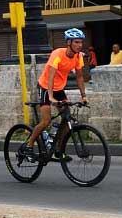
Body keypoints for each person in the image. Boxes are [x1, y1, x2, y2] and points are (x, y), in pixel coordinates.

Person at [22, 28, 89, 160]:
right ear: (68, 42)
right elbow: (51, 76)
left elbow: (80, 77)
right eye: (76, 42)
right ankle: (29, 146)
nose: (79, 45)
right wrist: (51, 97)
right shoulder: (57, 54)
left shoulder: (78, 57)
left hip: (59, 89)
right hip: (46, 87)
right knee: (46, 121)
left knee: (67, 118)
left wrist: (83, 96)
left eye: (81, 42)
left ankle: (58, 149)